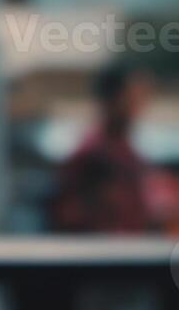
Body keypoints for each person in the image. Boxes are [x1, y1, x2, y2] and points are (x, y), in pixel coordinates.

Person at [51, 65, 155, 234]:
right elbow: (70, 217)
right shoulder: (93, 154)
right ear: (112, 100)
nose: (139, 107)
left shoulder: (125, 151)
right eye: (132, 97)